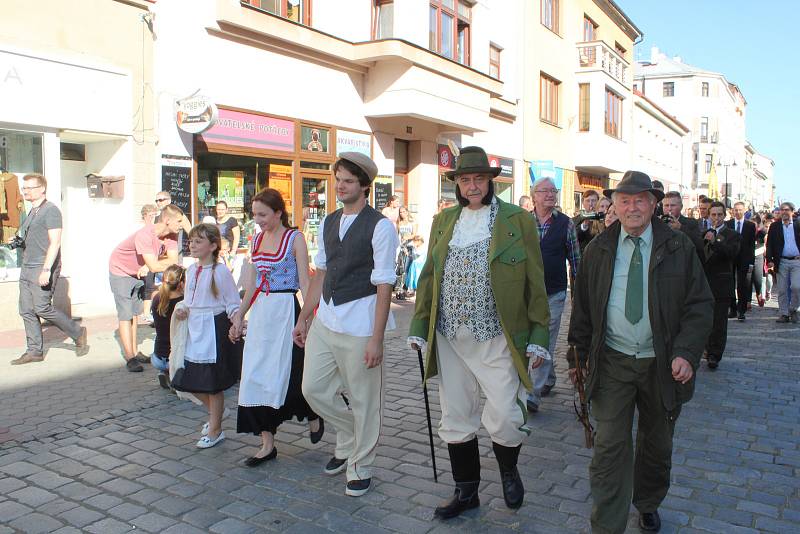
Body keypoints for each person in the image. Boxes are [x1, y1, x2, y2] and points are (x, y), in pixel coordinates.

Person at [408, 146, 550, 518]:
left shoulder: (517, 220)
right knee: (456, 415)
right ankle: (466, 490)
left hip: (496, 336)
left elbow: (536, 281)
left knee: (505, 414)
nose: (472, 186)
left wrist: (538, 333)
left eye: (479, 179)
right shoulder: (444, 221)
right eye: (465, 180)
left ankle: (508, 468)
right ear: (457, 183)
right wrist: (420, 325)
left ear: (491, 182)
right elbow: (428, 278)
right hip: (449, 336)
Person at [567, 171, 713, 534]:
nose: (632, 207)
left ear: (653, 204)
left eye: (640, 200)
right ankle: (607, 525)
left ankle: (647, 502)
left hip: (661, 364)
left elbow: (700, 306)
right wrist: (577, 360)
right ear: (613, 206)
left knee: (656, 444)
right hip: (612, 360)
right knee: (610, 447)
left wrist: (686, 353)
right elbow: (582, 311)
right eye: (624, 200)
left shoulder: (679, 247)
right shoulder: (597, 251)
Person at [293, 152, 398, 497]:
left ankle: (360, 463)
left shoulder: (381, 226)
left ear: (365, 185)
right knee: (313, 389)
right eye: (338, 179)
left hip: (361, 322)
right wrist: (304, 316)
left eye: (348, 181)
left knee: (365, 399)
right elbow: (320, 274)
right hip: (327, 316)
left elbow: (384, 284)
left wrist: (377, 339)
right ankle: (351, 436)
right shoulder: (328, 221)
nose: (341, 186)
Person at [230, 188, 322, 466]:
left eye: (263, 214)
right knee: (256, 374)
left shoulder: (295, 238)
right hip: (261, 314)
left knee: (291, 370)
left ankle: (314, 412)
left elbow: (305, 282)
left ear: (278, 212)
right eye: (255, 214)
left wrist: (306, 318)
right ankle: (267, 444)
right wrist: (239, 315)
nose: (258, 220)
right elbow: (254, 284)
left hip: (285, 309)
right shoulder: (256, 239)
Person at [171, 223, 243, 448]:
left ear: (213, 246)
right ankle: (217, 413)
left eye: (198, 241)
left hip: (213, 329)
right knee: (187, 381)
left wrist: (236, 322)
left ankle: (216, 428)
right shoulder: (191, 270)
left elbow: (232, 302)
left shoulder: (220, 272)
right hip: (194, 329)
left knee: (212, 384)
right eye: (191, 241)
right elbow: (190, 299)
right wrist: (183, 307)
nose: (192, 245)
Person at [12, 173, 88, 365]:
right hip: (27, 266)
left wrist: (46, 270)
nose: (25, 191)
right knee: (26, 310)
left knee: (41, 307)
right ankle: (34, 351)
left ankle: (77, 332)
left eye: (29, 188)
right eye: (24, 188)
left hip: (42, 266)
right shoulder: (32, 212)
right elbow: (36, 239)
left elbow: (55, 242)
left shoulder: (51, 210)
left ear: (41, 189)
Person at [527, 176, 580, 413]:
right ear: (533, 196)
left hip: (554, 293)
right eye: (544, 191)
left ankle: (533, 394)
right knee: (533, 338)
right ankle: (547, 379)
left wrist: (579, 291)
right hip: (526, 294)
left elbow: (575, 259)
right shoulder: (522, 222)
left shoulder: (566, 224)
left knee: (545, 338)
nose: (550, 194)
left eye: (553, 190)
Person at [108, 204, 183, 372]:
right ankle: (130, 358)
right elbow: (156, 266)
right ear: (167, 220)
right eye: (178, 221)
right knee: (125, 314)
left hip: (138, 273)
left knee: (135, 313)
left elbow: (174, 261)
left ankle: (135, 351)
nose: (181, 224)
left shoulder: (171, 236)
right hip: (121, 270)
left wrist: (153, 265)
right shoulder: (145, 234)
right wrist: (152, 265)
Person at [702, 201, 740, 370]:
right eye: (713, 215)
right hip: (703, 284)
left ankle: (714, 354)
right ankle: (706, 347)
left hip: (721, 285)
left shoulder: (732, 234)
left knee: (719, 322)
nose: (716, 218)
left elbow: (731, 253)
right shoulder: (703, 233)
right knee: (704, 319)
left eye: (719, 215)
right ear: (709, 216)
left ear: (724, 216)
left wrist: (715, 241)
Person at [150, 264, 185, 389]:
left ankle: (165, 371)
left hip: (158, 357)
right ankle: (174, 377)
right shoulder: (183, 302)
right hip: (175, 358)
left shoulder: (157, 298)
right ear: (181, 284)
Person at [766, 202, 800, 323]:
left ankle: (794, 308)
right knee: (782, 289)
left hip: (797, 261)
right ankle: (784, 313)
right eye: (781, 210)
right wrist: (769, 260)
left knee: (797, 287)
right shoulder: (775, 226)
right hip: (782, 261)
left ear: (792, 211)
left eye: (786, 210)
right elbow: (769, 243)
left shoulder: (798, 224)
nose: (784, 212)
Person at [726, 201, 756, 321]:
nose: (738, 212)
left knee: (742, 284)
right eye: (736, 210)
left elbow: (751, 245)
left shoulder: (750, 225)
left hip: (744, 258)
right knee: (730, 283)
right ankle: (732, 309)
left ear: (744, 211)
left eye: (740, 210)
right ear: (733, 211)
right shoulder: (728, 224)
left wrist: (751, 261)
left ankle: (741, 310)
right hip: (731, 257)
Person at [662, 192, 703, 258]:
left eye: (673, 205)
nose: (669, 208)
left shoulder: (691, 223)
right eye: (666, 205)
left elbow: (699, 245)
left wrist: (681, 227)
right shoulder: (658, 223)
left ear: (681, 207)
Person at [751, 214, 767, 307]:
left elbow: (766, 242)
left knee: (757, 278)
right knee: (747, 279)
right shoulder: (747, 232)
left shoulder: (762, 232)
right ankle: (748, 300)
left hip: (759, 255)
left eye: (754, 224)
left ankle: (759, 293)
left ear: (757, 224)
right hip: (748, 256)